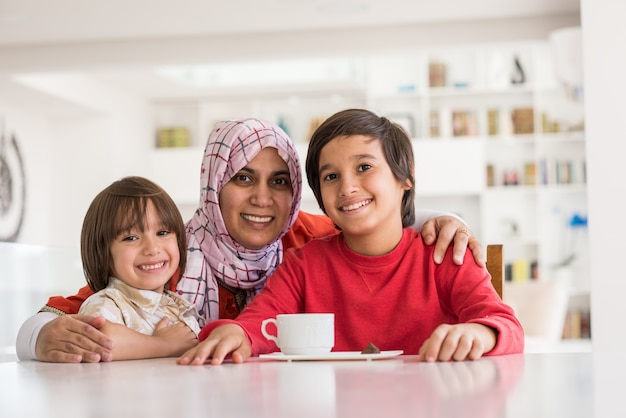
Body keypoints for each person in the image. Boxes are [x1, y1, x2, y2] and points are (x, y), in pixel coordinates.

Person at [17, 117, 482, 363]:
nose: (263, 198)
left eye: (280, 181)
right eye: (243, 177)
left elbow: (373, 224)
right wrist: (41, 337)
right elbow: (66, 314)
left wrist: (442, 218)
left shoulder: (307, 236)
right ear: (213, 182)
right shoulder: (168, 250)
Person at [177, 109, 523, 366]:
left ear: (406, 177)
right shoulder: (304, 263)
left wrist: (479, 332)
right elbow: (261, 320)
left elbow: (505, 324)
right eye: (330, 176)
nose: (348, 187)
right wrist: (238, 333)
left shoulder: (444, 255)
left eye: (364, 167)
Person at [76, 176, 200, 360]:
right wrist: (164, 345)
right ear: (103, 253)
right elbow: (99, 340)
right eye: (131, 238)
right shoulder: (108, 303)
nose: (152, 249)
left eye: (162, 233)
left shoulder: (177, 305)